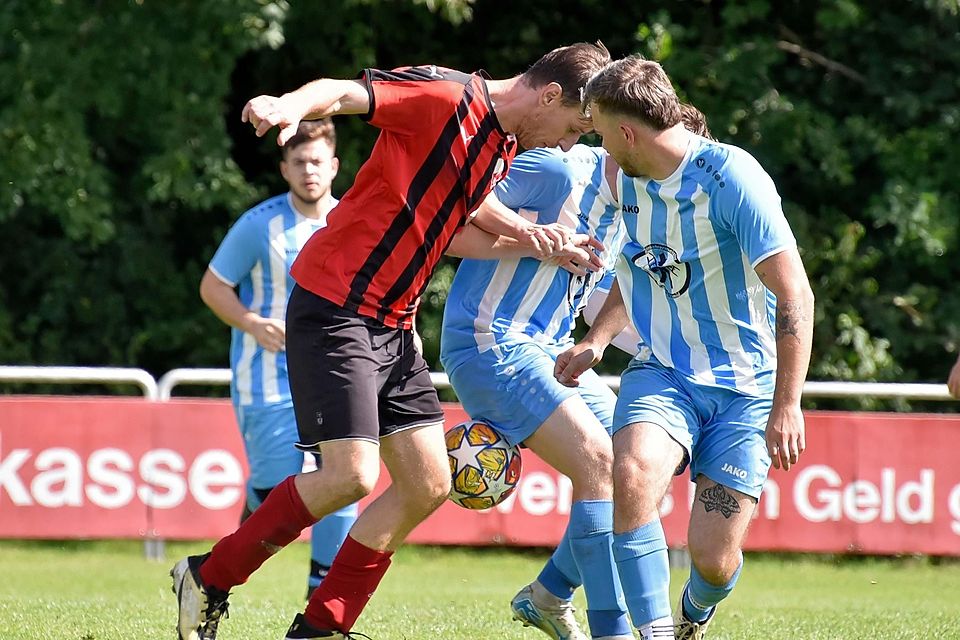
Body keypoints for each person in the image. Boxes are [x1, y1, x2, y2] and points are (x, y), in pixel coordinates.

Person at [171, 41, 612, 640]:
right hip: (337, 306)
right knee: (348, 477)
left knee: (429, 482)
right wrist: (287, 103)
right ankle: (207, 576)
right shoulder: (447, 96)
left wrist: (540, 241)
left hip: (393, 324)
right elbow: (346, 92)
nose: (568, 143)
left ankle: (321, 627)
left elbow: (460, 224)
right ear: (551, 96)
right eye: (573, 128)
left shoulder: (503, 147)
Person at [555, 55, 814, 640]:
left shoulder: (732, 180)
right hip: (664, 371)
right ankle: (653, 632)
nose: (594, 146)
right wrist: (598, 339)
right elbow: (639, 265)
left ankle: (696, 612)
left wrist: (788, 403)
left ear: (627, 132)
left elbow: (796, 292)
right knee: (631, 476)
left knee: (713, 560)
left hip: (745, 388)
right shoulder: (625, 178)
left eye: (597, 131)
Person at [442, 104, 715, 640]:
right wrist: (535, 239)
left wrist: (621, 344)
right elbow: (450, 221)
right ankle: (612, 633)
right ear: (635, 142)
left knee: (634, 472)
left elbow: (594, 303)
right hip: (488, 339)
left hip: (550, 348)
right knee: (598, 460)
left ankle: (549, 594)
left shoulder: (632, 207)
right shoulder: (558, 170)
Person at [199, 119, 358, 601]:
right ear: (284, 169)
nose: (309, 171)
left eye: (316, 162)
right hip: (266, 378)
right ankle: (254, 505)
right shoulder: (257, 225)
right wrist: (251, 322)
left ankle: (321, 595)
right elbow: (212, 287)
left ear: (333, 166)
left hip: (332, 373)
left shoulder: (352, 220)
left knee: (347, 477)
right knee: (275, 488)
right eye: (298, 163)